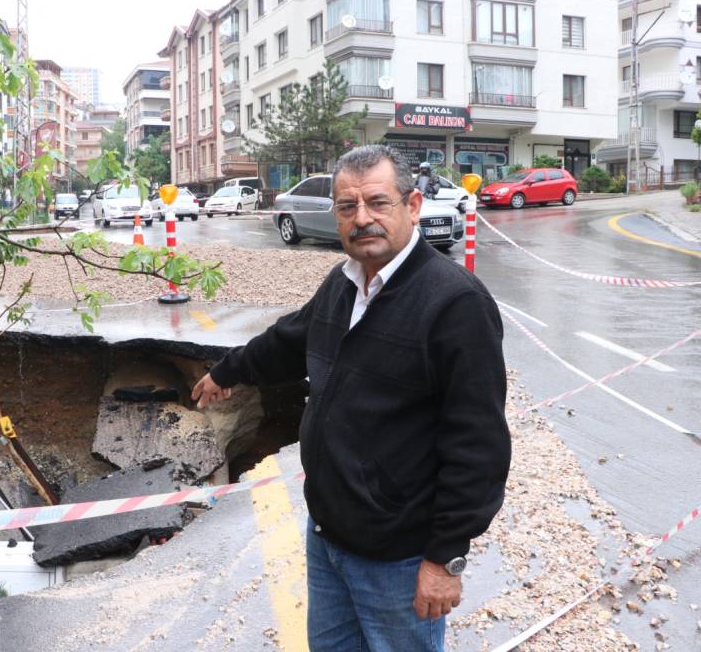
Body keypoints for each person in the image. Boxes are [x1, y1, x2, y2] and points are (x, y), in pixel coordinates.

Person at [191, 144, 510, 652]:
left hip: (398, 558)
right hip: (329, 539)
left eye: (377, 203)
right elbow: (291, 339)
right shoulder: (343, 285)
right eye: (347, 207)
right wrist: (228, 371)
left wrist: (445, 557)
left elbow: (478, 445)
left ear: (411, 207)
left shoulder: (455, 304)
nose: (362, 219)